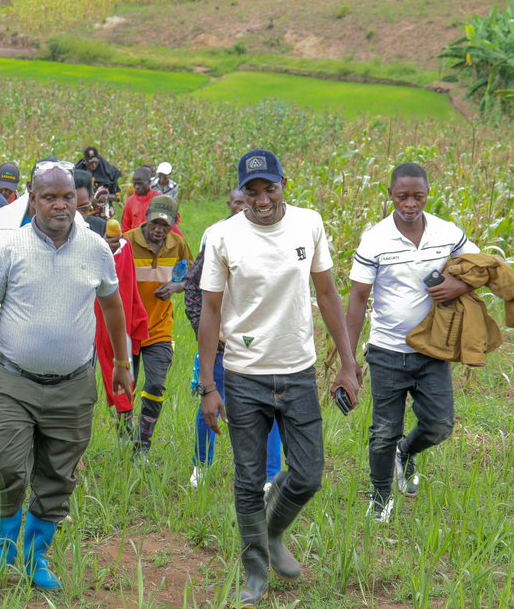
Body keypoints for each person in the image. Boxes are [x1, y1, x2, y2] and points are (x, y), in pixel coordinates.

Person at [0, 162, 133, 591]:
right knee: (9, 467)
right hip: (15, 381)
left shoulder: (95, 248)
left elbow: (112, 308)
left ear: (78, 199)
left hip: (74, 384)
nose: (60, 205)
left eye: (67, 197)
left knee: (58, 475)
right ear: (32, 199)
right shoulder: (10, 248)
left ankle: (35, 556)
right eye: (49, 196)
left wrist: (123, 365)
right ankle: (0, 553)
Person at [197, 149, 361, 607]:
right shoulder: (222, 236)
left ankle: (270, 534)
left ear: (283, 183)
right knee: (248, 479)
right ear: (241, 193)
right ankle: (255, 573)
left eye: (269, 187)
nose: (261, 198)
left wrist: (347, 363)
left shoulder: (309, 223)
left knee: (308, 475)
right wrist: (209, 385)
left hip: (298, 371)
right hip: (244, 375)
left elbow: (327, 292)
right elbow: (210, 310)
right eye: (252, 190)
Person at [345, 163, 479, 523]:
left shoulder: (447, 233)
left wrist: (460, 286)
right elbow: (358, 298)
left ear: (427, 194)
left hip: (432, 349)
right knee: (383, 430)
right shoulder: (375, 239)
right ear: (390, 195)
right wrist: (347, 359)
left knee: (440, 425)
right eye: (402, 196)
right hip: (388, 350)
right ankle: (380, 497)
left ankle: (406, 453)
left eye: (417, 196)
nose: (410, 204)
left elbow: (481, 266)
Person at [184, 188, 282, 489]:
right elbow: (193, 290)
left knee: (271, 408)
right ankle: (202, 465)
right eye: (241, 202)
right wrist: (208, 337)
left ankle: (270, 475)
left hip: (264, 347)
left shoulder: (274, 240)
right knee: (209, 400)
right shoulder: (217, 237)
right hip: (222, 345)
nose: (247, 207)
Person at [78, 170, 148, 440]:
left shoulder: (102, 233)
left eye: (83, 206)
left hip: (101, 312)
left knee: (111, 363)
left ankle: (124, 421)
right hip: (71, 317)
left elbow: (122, 291)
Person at [123, 195, 192, 456]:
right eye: (155, 223)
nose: (158, 230)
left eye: (165, 225)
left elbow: (195, 277)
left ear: (173, 224)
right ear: (146, 218)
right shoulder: (127, 242)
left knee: (155, 385)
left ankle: (142, 444)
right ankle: (124, 430)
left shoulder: (178, 245)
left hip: (159, 330)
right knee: (124, 388)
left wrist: (177, 286)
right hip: (127, 329)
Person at [120, 167, 160, 233]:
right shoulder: (130, 202)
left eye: (140, 184)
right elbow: (125, 227)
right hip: (136, 240)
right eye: (135, 184)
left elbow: (171, 222)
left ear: (149, 182)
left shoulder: (158, 199)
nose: (137, 187)